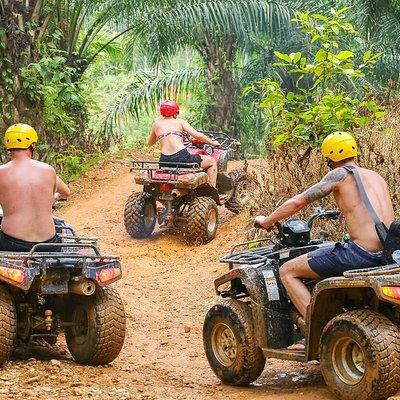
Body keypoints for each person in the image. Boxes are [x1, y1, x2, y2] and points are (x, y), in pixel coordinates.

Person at [254, 132, 394, 320]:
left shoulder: (339, 174)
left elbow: (298, 202)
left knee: (287, 271)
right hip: (389, 252)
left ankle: (318, 330)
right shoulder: (376, 176)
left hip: (360, 254)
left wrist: (267, 221)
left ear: (329, 157)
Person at [0, 123, 70, 252]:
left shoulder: (1, 172)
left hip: (11, 243)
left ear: (8, 146)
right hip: (48, 243)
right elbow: (66, 192)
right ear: (32, 145)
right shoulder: (48, 170)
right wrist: (53, 198)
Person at [147, 100, 221, 188]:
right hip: (181, 158)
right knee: (212, 161)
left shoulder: (156, 124)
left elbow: (150, 143)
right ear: (175, 113)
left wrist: (162, 135)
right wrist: (213, 143)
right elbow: (198, 136)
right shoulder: (180, 122)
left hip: (164, 160)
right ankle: (212, 190)